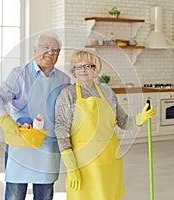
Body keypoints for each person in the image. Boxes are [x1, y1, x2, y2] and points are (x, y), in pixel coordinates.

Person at [54, 50, 155, 200]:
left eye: (87, 66)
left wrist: (141, 117)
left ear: (95, 68)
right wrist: (71, 167)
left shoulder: (107, 91)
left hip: (109, 159)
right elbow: (61, 131)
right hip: (84, 163)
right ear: (73, 71)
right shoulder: (68, 94)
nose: (83, 70)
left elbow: (124, 122)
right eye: (78, 67)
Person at [0, 33, 70, 200]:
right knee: (15, 194)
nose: (50, 53)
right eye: (45, 48)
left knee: (45, 194)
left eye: (55, 50)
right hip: (21, 142)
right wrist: (3, 118)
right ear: (34, 50)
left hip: (48, 145)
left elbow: (67, 111)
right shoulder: (19, 74)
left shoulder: (64, 79)